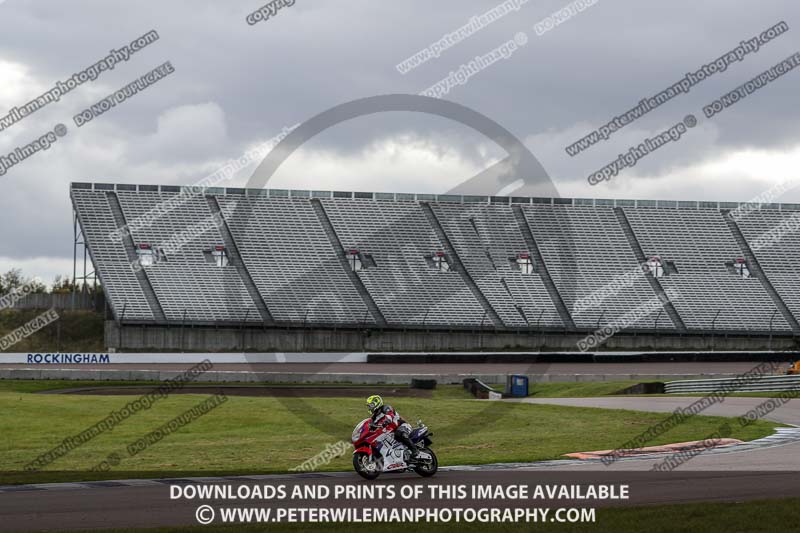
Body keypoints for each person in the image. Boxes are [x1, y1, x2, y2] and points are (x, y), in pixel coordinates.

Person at [366, 395, 419, 459]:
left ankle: (414, 450)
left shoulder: (386, 408)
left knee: (399, 432)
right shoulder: (374, 417)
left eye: (371, 405)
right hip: (390, 432)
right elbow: (370, 426)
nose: (369, 407)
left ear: (377, 403)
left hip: (402, 425)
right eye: (369, 406)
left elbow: (390, 416)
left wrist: (385, 422)